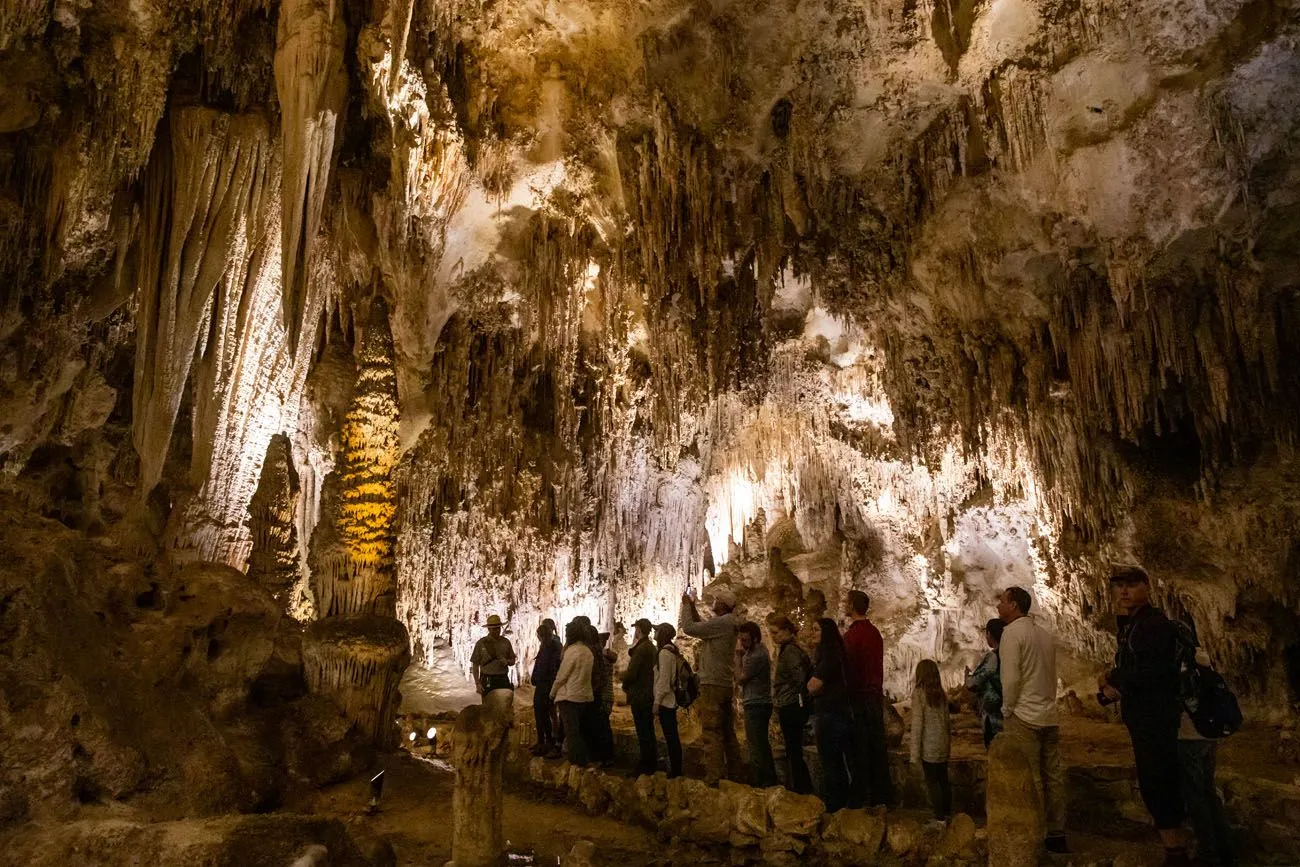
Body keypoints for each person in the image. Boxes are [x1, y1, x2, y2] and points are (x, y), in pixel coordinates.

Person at [1099, 565, 1191, 867]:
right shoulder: (1133, 624)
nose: (1124, 591)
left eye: (1131, 585)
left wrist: (1117, 686)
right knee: (1154, 780)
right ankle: (1174, 849)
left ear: (1146, 587)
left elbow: (1152, 672)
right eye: (1119, 586)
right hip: (1144, 716)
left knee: (1159, 780)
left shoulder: (1153, 624)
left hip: (1155, 716)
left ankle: (1176, 852)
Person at [997, 586, 1068, 854]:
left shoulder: (1012, 634)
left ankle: (1034, 832)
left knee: (1030, 776)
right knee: (1053, 777)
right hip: (1049, 715)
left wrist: (1007, 708)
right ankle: (1057, 832)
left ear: (1013, 605)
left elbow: (1012, 678)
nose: (998, 605)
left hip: (1024, 715)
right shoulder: (1043, 634)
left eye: (1002, 601)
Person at [1177, 641, 1236, 867]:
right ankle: (1226, 850)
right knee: (1209, 792)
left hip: (1189, 737)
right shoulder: (1203, 659)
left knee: (1196, 797)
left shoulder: (1181, 665)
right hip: (1209, 737)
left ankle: (1209, 855)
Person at [680, 588, 743, 784]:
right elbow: (702, 626)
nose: (713, 602)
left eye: (716, 600)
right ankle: (735, 773)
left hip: (713, 684)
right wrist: (692, 606)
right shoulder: (727, 623)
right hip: (723, 683)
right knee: (727, 732)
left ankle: (713, 775)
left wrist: (685, 605)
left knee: (711, 730)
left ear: (723, 605)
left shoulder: (723, 623)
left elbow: (690, 628)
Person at [842, 589, 894, 806]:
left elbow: (849, 668)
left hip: (858, 697)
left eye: (847, 602)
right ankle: (882, 795)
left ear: (852, 606)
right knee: (877, 747)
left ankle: (860, 796)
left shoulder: (852, 636)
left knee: (860, 749)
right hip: (874, 696)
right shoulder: (874, 633)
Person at [807, 617, 854, 812]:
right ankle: (840, 802)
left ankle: (836, 804)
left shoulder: (830, 655)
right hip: (835, 713)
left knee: (831, 761)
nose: (812, 633)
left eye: (816, 629)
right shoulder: (834, 653)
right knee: (834, 761)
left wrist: (812, 687)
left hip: (831, 715)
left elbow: (813, 685)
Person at [769, 615, 813, 794]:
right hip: (791, 702)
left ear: (787, 631)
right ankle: (800, 787)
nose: (773, 637)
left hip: (791, 704)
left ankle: (802, 789)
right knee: (792, 749)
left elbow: (799, 679)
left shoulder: (790, 652)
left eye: (776, 632)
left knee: (794, 750)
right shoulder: (789, 650)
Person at [735, 621, 778, 787]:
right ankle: (769, 781)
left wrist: (737, 657)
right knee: (761, 744)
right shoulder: (755, 652)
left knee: (756, 747)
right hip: (757, 703)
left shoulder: (757, 655)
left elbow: (740, 678)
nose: (742, 644)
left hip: (756, 704)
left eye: (745, 640)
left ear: (754, 639)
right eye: (741, 640)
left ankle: (761, 784)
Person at [910, 659, 952, 822]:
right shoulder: (941, 694)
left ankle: (939, 817)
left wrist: (914, 755)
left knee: (933, 783)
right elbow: (946, 722)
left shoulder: (919, 693)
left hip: (928, 747)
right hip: (941, 745)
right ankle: (947, 813)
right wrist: (948, 746)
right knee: (943, 781)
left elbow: (917, 724)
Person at [551, 621, 595, 765]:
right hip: (584, 696)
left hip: (570, 696)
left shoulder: (572, 651)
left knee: (572, 733)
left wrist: (552, 693)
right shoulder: (588, 652)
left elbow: (562, 675)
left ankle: (577, 764)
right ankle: (584, 761)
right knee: (579, 731)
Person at [622, 618, 659, 776]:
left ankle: (646, 764)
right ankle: (650, 762)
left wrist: (622, 677)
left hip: (641, 695)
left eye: (636, 628)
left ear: (639, 629)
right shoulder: (650, 647)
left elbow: (633, 672)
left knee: (643, 730)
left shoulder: (643, 648)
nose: (634, 631)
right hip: (647, 693)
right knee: (647, 730)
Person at [965, 618, 1005, 748]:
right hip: (1012, 713)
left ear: (989, 634)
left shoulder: (993, 657)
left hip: (993, 714)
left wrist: (967, 677)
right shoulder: (1011, 654)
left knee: (995, 750)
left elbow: (975, 682)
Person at [653, 622, 684, 778]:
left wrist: (656, 703)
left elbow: (664, 682)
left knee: (671, 737)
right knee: (672, 736)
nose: (654, 633)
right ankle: (676, 768)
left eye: (657, 631)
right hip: (670, 701)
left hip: (666, 702)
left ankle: (676, 771)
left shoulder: (664, 654)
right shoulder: (671, 652)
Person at [530, 618, 563, 756]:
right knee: (545, 714)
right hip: (548, 683)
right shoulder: (552, 646)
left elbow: (544, 668)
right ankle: (544, 741)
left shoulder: (548, 648)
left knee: (542, 714)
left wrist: (535, 678)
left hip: (545, 684)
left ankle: (546, 742)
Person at [590, 626, 616, 767]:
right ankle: (607, 756)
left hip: (602, 696)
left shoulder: (602, 660)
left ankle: (603, 757)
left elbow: (598, 679)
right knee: (604, 726)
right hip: (608, 695)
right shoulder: (607, 657)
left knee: (602, 727)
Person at [471, 614, 517, 694]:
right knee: (489, 705)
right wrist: (477, 683)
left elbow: (512, 660)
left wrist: (507, 661)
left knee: (504, 705)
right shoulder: (481, 643)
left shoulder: (506, 642)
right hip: (487, 679)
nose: (496, 631)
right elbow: (475, 664)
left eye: (498, 628)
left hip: (502, 678)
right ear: (489, 629)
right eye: (494, 629)